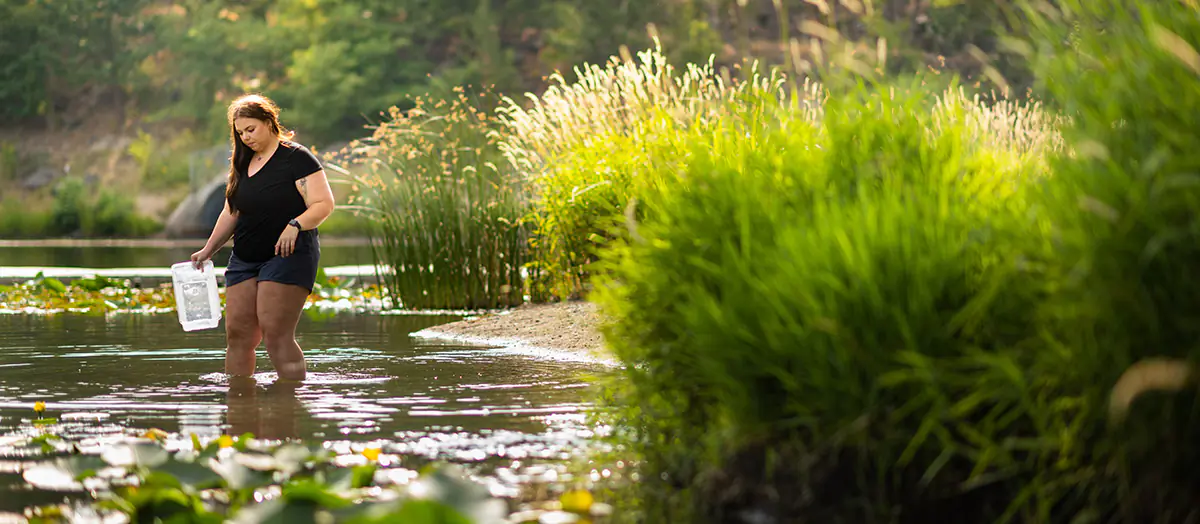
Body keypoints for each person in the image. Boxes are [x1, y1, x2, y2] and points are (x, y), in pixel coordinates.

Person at [191, 94, 335, 382]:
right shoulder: (243, 162)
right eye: (240, 132)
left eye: (251, 129)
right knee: (238, 333)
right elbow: (231, 212)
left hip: (288, 256)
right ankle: (241, 405)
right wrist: (208, 248)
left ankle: (290, 404)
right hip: (245, 258)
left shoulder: (296, 158)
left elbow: (323, 204)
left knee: (275, 332)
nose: (245, 137)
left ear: (269, 122)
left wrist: (295, 224)